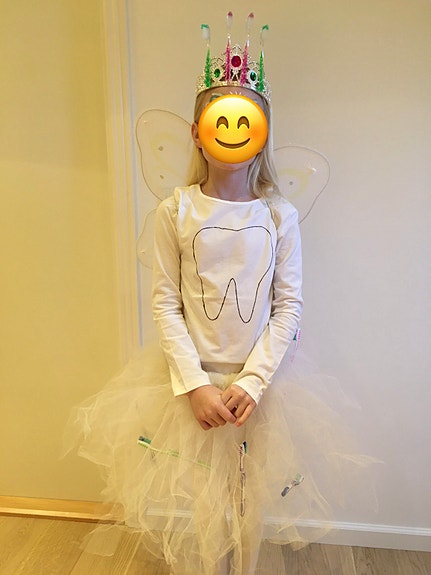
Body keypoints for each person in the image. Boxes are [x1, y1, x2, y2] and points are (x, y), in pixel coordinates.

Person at [66, 17, 376, 575]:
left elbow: (288, 307)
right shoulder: (176, 211)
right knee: (207, 503)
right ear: (196, 132)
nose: (233, 133)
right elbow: (166, 303)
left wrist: (253, 382)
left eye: (247, 122)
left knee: (251, 502)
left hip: (264, 386)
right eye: (220, 121)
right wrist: (196, 385)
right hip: (195, 384)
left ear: (262, 132)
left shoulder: (278, 215)